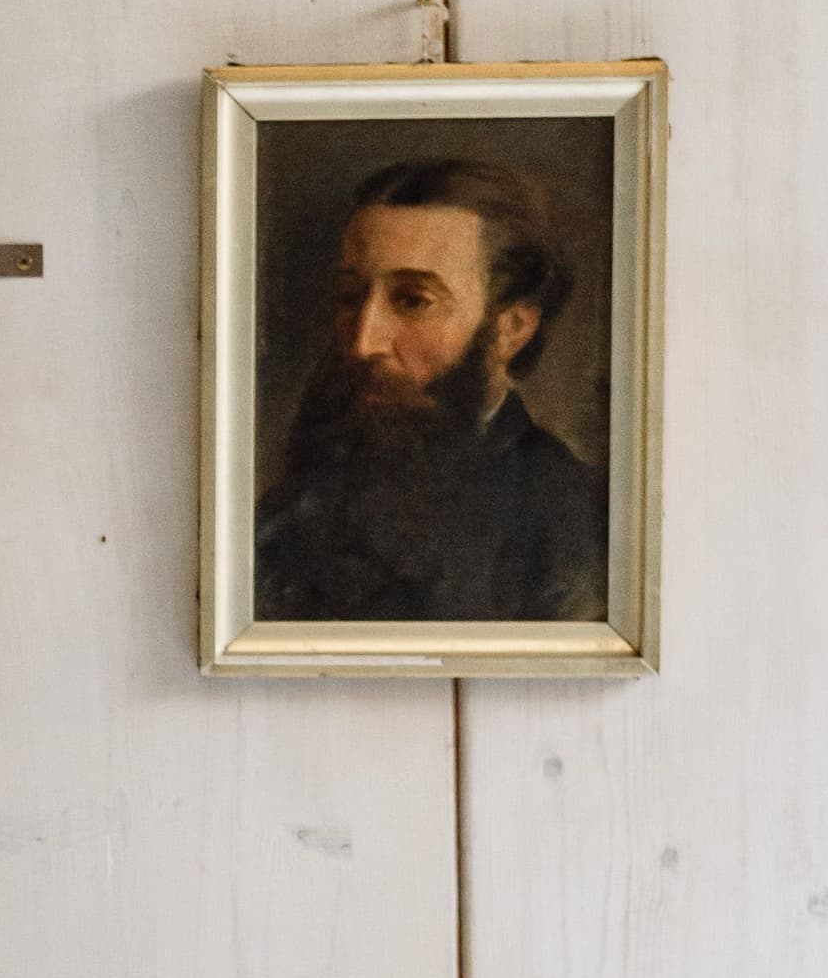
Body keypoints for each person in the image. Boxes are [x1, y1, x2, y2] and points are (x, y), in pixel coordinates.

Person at [255, 147, 609, 623]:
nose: (363, 342)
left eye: (413, 300)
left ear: (512, 328)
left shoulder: (575, 523)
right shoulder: (289, 507)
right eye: (349, 296)